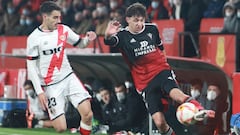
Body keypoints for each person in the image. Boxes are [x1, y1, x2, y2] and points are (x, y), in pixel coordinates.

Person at [104, 2, 215, 134]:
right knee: (159, 122)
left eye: (141, 20)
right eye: (136, 20)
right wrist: (107, 34)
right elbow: (109, 42)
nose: (139, 23)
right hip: (144, 82)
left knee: (177, 94)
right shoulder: (122, 36)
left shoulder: (152, 29)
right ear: (128, 20)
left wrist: (165, 67)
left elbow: (161, 49)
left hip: (161, 71)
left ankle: (200, 109)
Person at [26, 1, 96, 134]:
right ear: (45, 17)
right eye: (55, 17)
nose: (58, 21)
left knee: (88, 114)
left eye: (59, 17)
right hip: (50, 85)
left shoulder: (64, 30)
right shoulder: (34, 38)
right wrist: (39, 91)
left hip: (68, 77)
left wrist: (87, 39)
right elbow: (31, 67)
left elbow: (80, 44)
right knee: (61, 128)